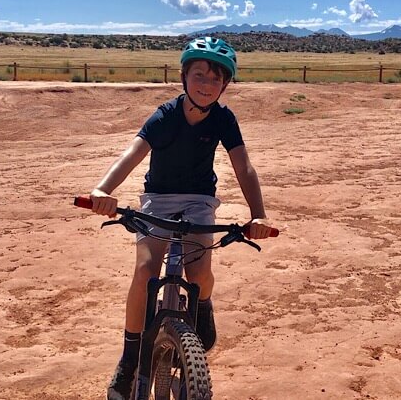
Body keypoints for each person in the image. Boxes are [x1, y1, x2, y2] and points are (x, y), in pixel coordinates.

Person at [89, 36, 273, 400]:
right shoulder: (166, 115)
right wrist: (102, 191)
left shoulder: (223, 119)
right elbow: (133, 152)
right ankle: (129, 359)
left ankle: (202, 306)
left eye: (215, 79)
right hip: (157, 199)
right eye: (199, 75)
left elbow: (244, 167)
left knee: (200, 271)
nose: (206, 84)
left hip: (199, 201)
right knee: (145, 272)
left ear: (225, 85)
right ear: (184, 77)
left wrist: (258, 216)